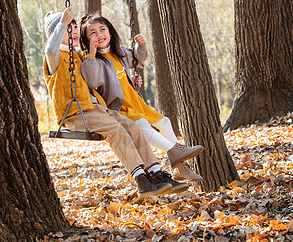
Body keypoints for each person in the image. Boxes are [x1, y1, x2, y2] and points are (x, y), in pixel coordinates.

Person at [43, 7, 189, 198]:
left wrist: (129, 81)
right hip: (75, 114)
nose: (74, 30)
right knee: (116, 131)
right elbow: (50, 47)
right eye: (67, 28)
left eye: (74, 26)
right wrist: (62, 21)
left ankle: (156, 174)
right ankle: (141, 180)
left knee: (134, 128)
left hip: (98, 109)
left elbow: (101, 75)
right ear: (57, 33)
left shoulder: (79, 56)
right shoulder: (53, 57)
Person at [79, 14, 203, 182]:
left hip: (136, 102)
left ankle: (181, 168)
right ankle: (175, 150)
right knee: (144, 127)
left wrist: (141, 45)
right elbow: (92, 81)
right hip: (119, 108)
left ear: (110, 32)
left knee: (165, 122)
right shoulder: (94, 61)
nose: (99, 35)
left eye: (102, 29)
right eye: (92, 33)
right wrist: (92, 54)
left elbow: (138, 58)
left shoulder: (120, 52)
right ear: (87, 39)